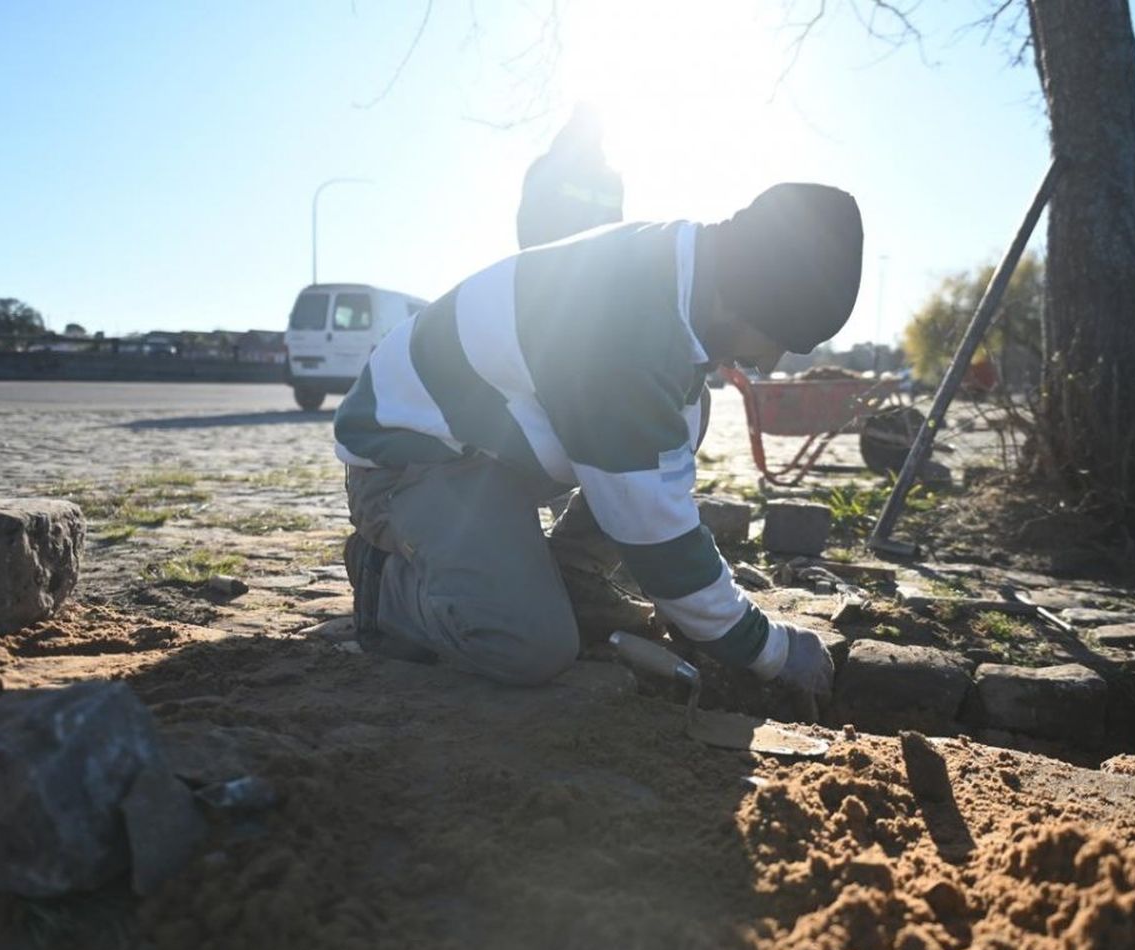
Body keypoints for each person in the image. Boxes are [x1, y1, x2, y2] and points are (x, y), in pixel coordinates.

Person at [334, 182, 863, 716]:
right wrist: (768, 649)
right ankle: (388, 593)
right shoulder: (630, 329)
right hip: (409, 458)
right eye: (777, 337)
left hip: (489, 443)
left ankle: (571, 578)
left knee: (686, 414)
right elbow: (659, 538)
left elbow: (652, 490)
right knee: (528, 646)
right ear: (750, 296)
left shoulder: (681, 275)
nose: (769, 363)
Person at [516, 105, 624, 249]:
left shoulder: (611, 180)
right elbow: (528, 222)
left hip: (598, 265)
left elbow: (616, 228)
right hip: (550, 262)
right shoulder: (546, 167)